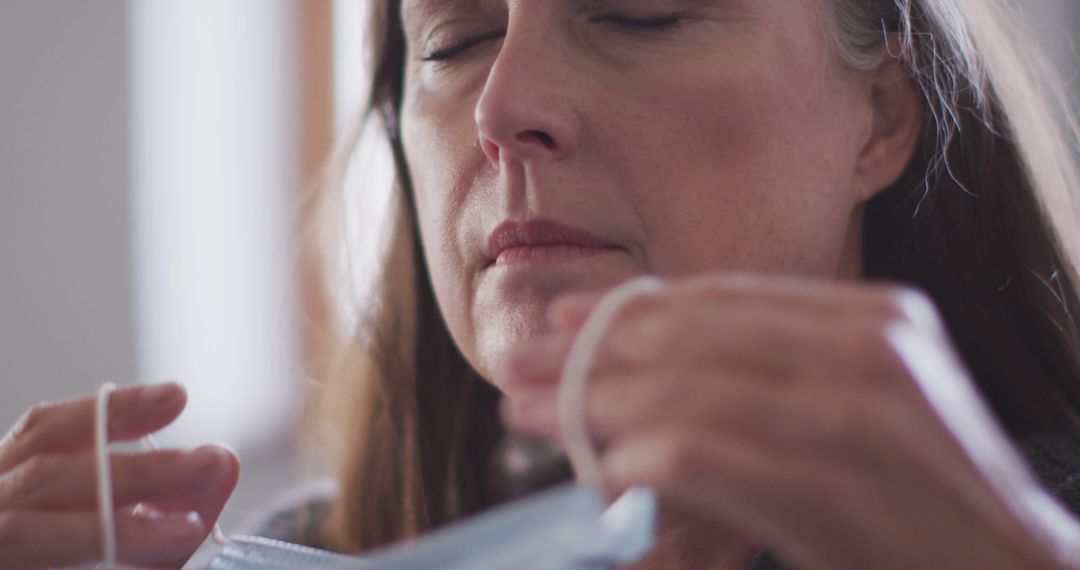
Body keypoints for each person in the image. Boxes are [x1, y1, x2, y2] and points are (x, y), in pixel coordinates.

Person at [4, 0, 1080, 568]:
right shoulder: (327, 550)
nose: (502, 104)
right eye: (453, 41)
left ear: (882, 117)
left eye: (641, 13)